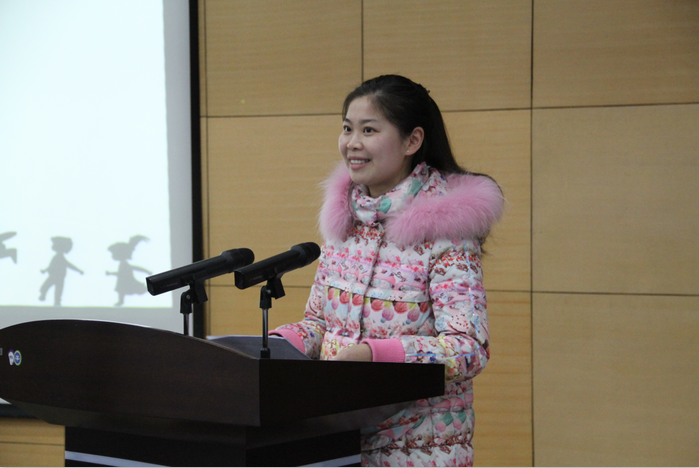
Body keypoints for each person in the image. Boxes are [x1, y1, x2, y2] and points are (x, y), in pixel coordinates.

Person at [272, 75, 504, 467]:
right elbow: (320, 324)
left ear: (412, 141)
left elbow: (469, 348)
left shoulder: (446, 229)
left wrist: (374, 354)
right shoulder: (346, 219)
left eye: (368, 130)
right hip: (339, 444)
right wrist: (275, 347)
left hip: (419, 449)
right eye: (347, 128)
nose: (352, 143)